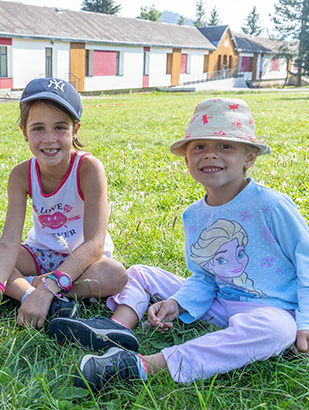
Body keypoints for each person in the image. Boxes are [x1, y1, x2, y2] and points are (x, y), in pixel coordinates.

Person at [48, 97, 309, 388]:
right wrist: (177, 303)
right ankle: (115, 328)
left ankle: (142, 365)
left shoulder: (271, 206)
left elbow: (306, 261)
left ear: (249, 157)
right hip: (221, 301)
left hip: (272, 309)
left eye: (225, 146)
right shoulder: (194, 215)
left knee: (275, 331)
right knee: (140, 272)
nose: (210, 155)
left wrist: (304, 322)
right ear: (186, 158)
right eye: (199, 147)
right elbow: (205, 277)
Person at [0, 78, 127, 329]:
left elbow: (94, 244)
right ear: (24, 131)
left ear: (76, 130)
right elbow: (9, 241)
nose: (49, 138)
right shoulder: (21, 175)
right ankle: (26, 294)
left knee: (115, 275)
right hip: (38, 253)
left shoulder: (88, 168)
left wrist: (49, 286)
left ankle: (27, 290)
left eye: (60, 127)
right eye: (38, 128)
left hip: (83, 263)